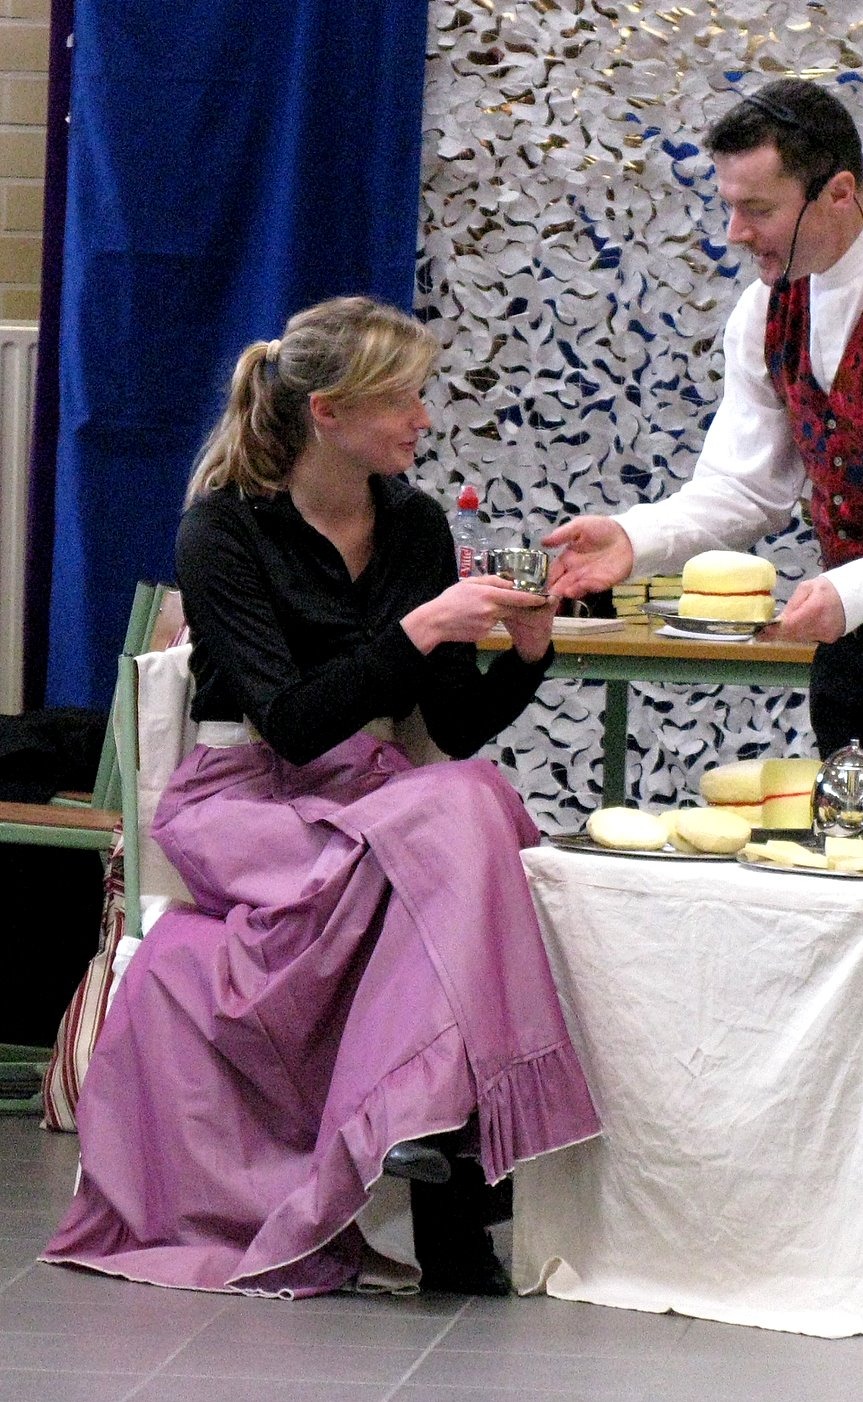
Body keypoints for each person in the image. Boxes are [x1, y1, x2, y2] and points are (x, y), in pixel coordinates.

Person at [44, 296, 600, 1297]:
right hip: (246, 798)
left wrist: (528, 652)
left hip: (370, 795)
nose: (423, 418)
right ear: (328, 413)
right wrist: (421, 629)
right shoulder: (223, 528)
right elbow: (293, 724)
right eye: (403, 399)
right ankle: (449, 1156)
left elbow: (454, 723)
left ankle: (432, 1132)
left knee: (467, 797)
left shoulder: (416, 524)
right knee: (454, 825)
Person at [545, 78, 863, 856]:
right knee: (853, 862)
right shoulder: (765, 309)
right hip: (858, 625)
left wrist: (855, 590)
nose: (734, 233)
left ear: (839, 192)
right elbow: (745, 486)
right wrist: (636, 539)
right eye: (729, 206)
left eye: (757, 210)